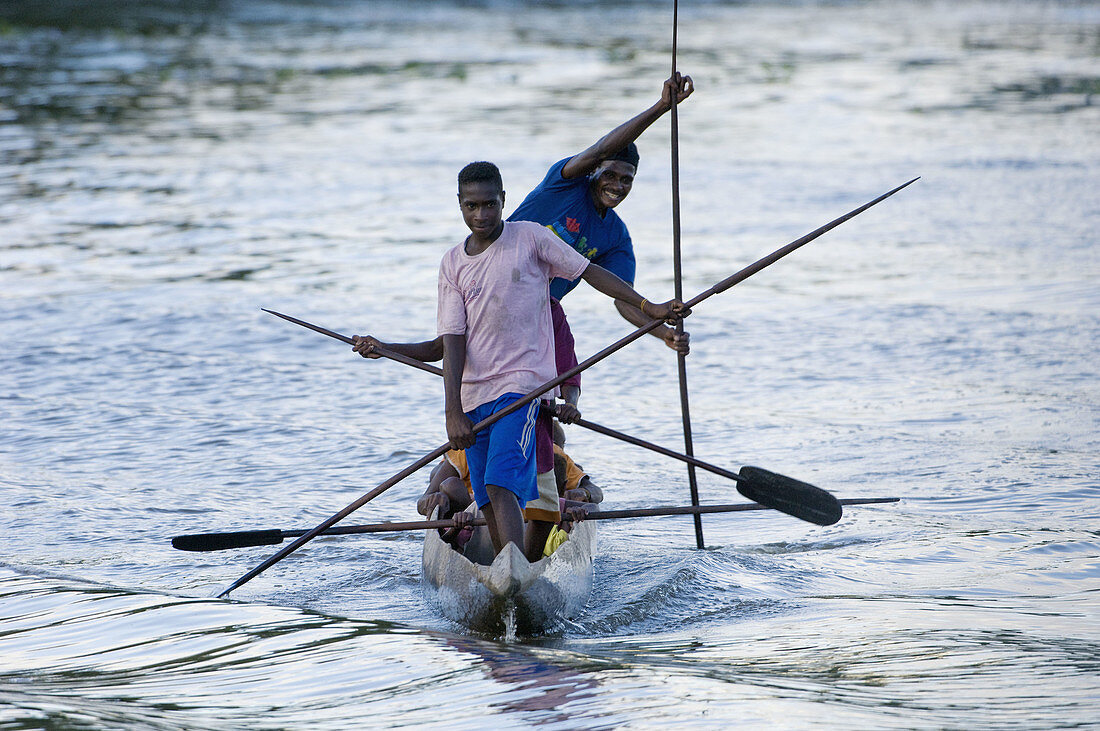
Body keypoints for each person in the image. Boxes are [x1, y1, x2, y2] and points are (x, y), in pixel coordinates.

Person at [437, 161, 687, 559]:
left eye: (489, 204)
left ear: (504, 201)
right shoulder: (452, 263)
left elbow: (589, 272)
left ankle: (513, 568)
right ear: (460, 206)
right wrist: (452, 410)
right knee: (484, 492)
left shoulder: (531, 238)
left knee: (502, 484)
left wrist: (649, 308)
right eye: (471, 206)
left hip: (521, 391)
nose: (481, 215)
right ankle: (510, 571)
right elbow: (451, 341)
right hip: (473, 395)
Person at [508, 72, 695, 355]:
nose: (617, 186)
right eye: (609, 174)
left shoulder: (616, 238)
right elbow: (600, 149)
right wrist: (661, 107)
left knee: (564, 387)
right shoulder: (564, 182)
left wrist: (664, 334)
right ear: (593, 171)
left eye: (627, 180)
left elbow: (625, 300)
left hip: (538, 316)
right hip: (496, 293)